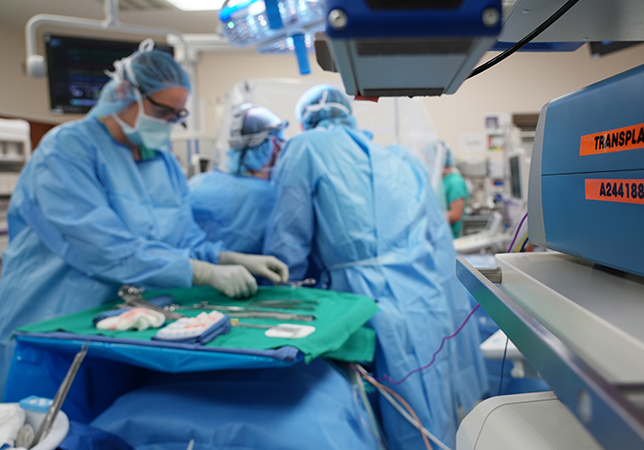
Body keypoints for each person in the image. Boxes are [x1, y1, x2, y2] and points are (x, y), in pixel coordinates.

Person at [0, 40, 288, 387]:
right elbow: (104, 248)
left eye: (177, 116)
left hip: (127, 324)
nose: (169, 123)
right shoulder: (66, 151)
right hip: (54, 320)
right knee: (44, 429)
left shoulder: (162, 160)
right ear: (125, 92)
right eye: (163, 112)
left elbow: (182, 239)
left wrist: (224, 258)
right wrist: (203, 272)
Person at [263, 85, 487, 450]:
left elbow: (288, 243)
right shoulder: (400, 158)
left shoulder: (305, 148)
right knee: (429, 409)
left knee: (380, 412)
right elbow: (439, 240)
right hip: (426, 300)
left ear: (306, 121)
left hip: (365, 303)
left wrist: (279, 296)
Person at [189, 103, 287, 255]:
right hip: (249, 277)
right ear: (273, 144)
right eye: (280, 141)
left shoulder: (198, 183)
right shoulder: (272, 198)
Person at [442, 146, 469, 238]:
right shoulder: (442, 180)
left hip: (449, 237)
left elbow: (455, 214)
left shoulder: (455, 182)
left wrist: (430, 218)